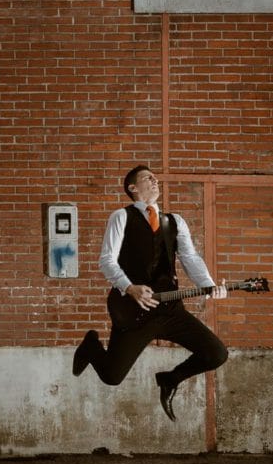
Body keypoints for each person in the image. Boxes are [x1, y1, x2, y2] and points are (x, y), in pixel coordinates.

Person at [71, 166, 228, 420]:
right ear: (133, 188)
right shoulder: (121, 217)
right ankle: (91, 346)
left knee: (216, 354)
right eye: (148, 178)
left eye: (155, 177)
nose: (155, 180)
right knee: (112, 377)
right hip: (135, 312)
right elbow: (106, 260)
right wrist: (129, 287)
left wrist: (208, 286)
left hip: (170, 310)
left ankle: (169, 379)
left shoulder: (175, 221)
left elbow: (190, 257)